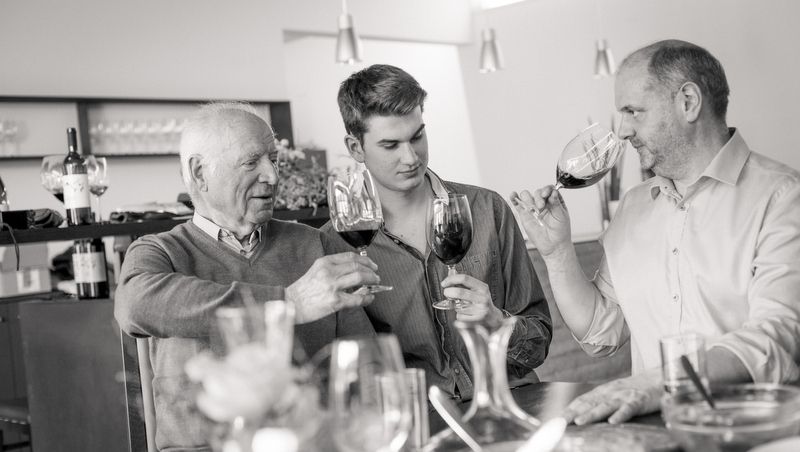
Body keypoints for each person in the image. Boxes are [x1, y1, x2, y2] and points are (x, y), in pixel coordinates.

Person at [512, 39, 800, 425]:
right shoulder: (633, 207)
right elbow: (602, 331)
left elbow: (777, 338)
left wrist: (656, 384)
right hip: (656, 432)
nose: (624, 131)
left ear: (688, 102)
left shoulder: (782, 197)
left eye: (633, 111)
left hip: (756, 432)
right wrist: (557, 252)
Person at [114, 102, 380, 451]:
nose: (271, 175)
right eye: (251, 161)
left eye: (273, 159)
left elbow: (368, 363)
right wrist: (288, 304)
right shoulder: (161, 252)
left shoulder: (314, 243)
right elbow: (135, 306)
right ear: (199, 173)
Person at [322, 64, 553, 400]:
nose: (411, 156)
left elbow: (539, 342)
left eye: (417, 136)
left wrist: (497, 323)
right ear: (356, 148)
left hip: (512, 400)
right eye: (390, 145)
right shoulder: (335, 242)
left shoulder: (487, 210)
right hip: (419, 418)